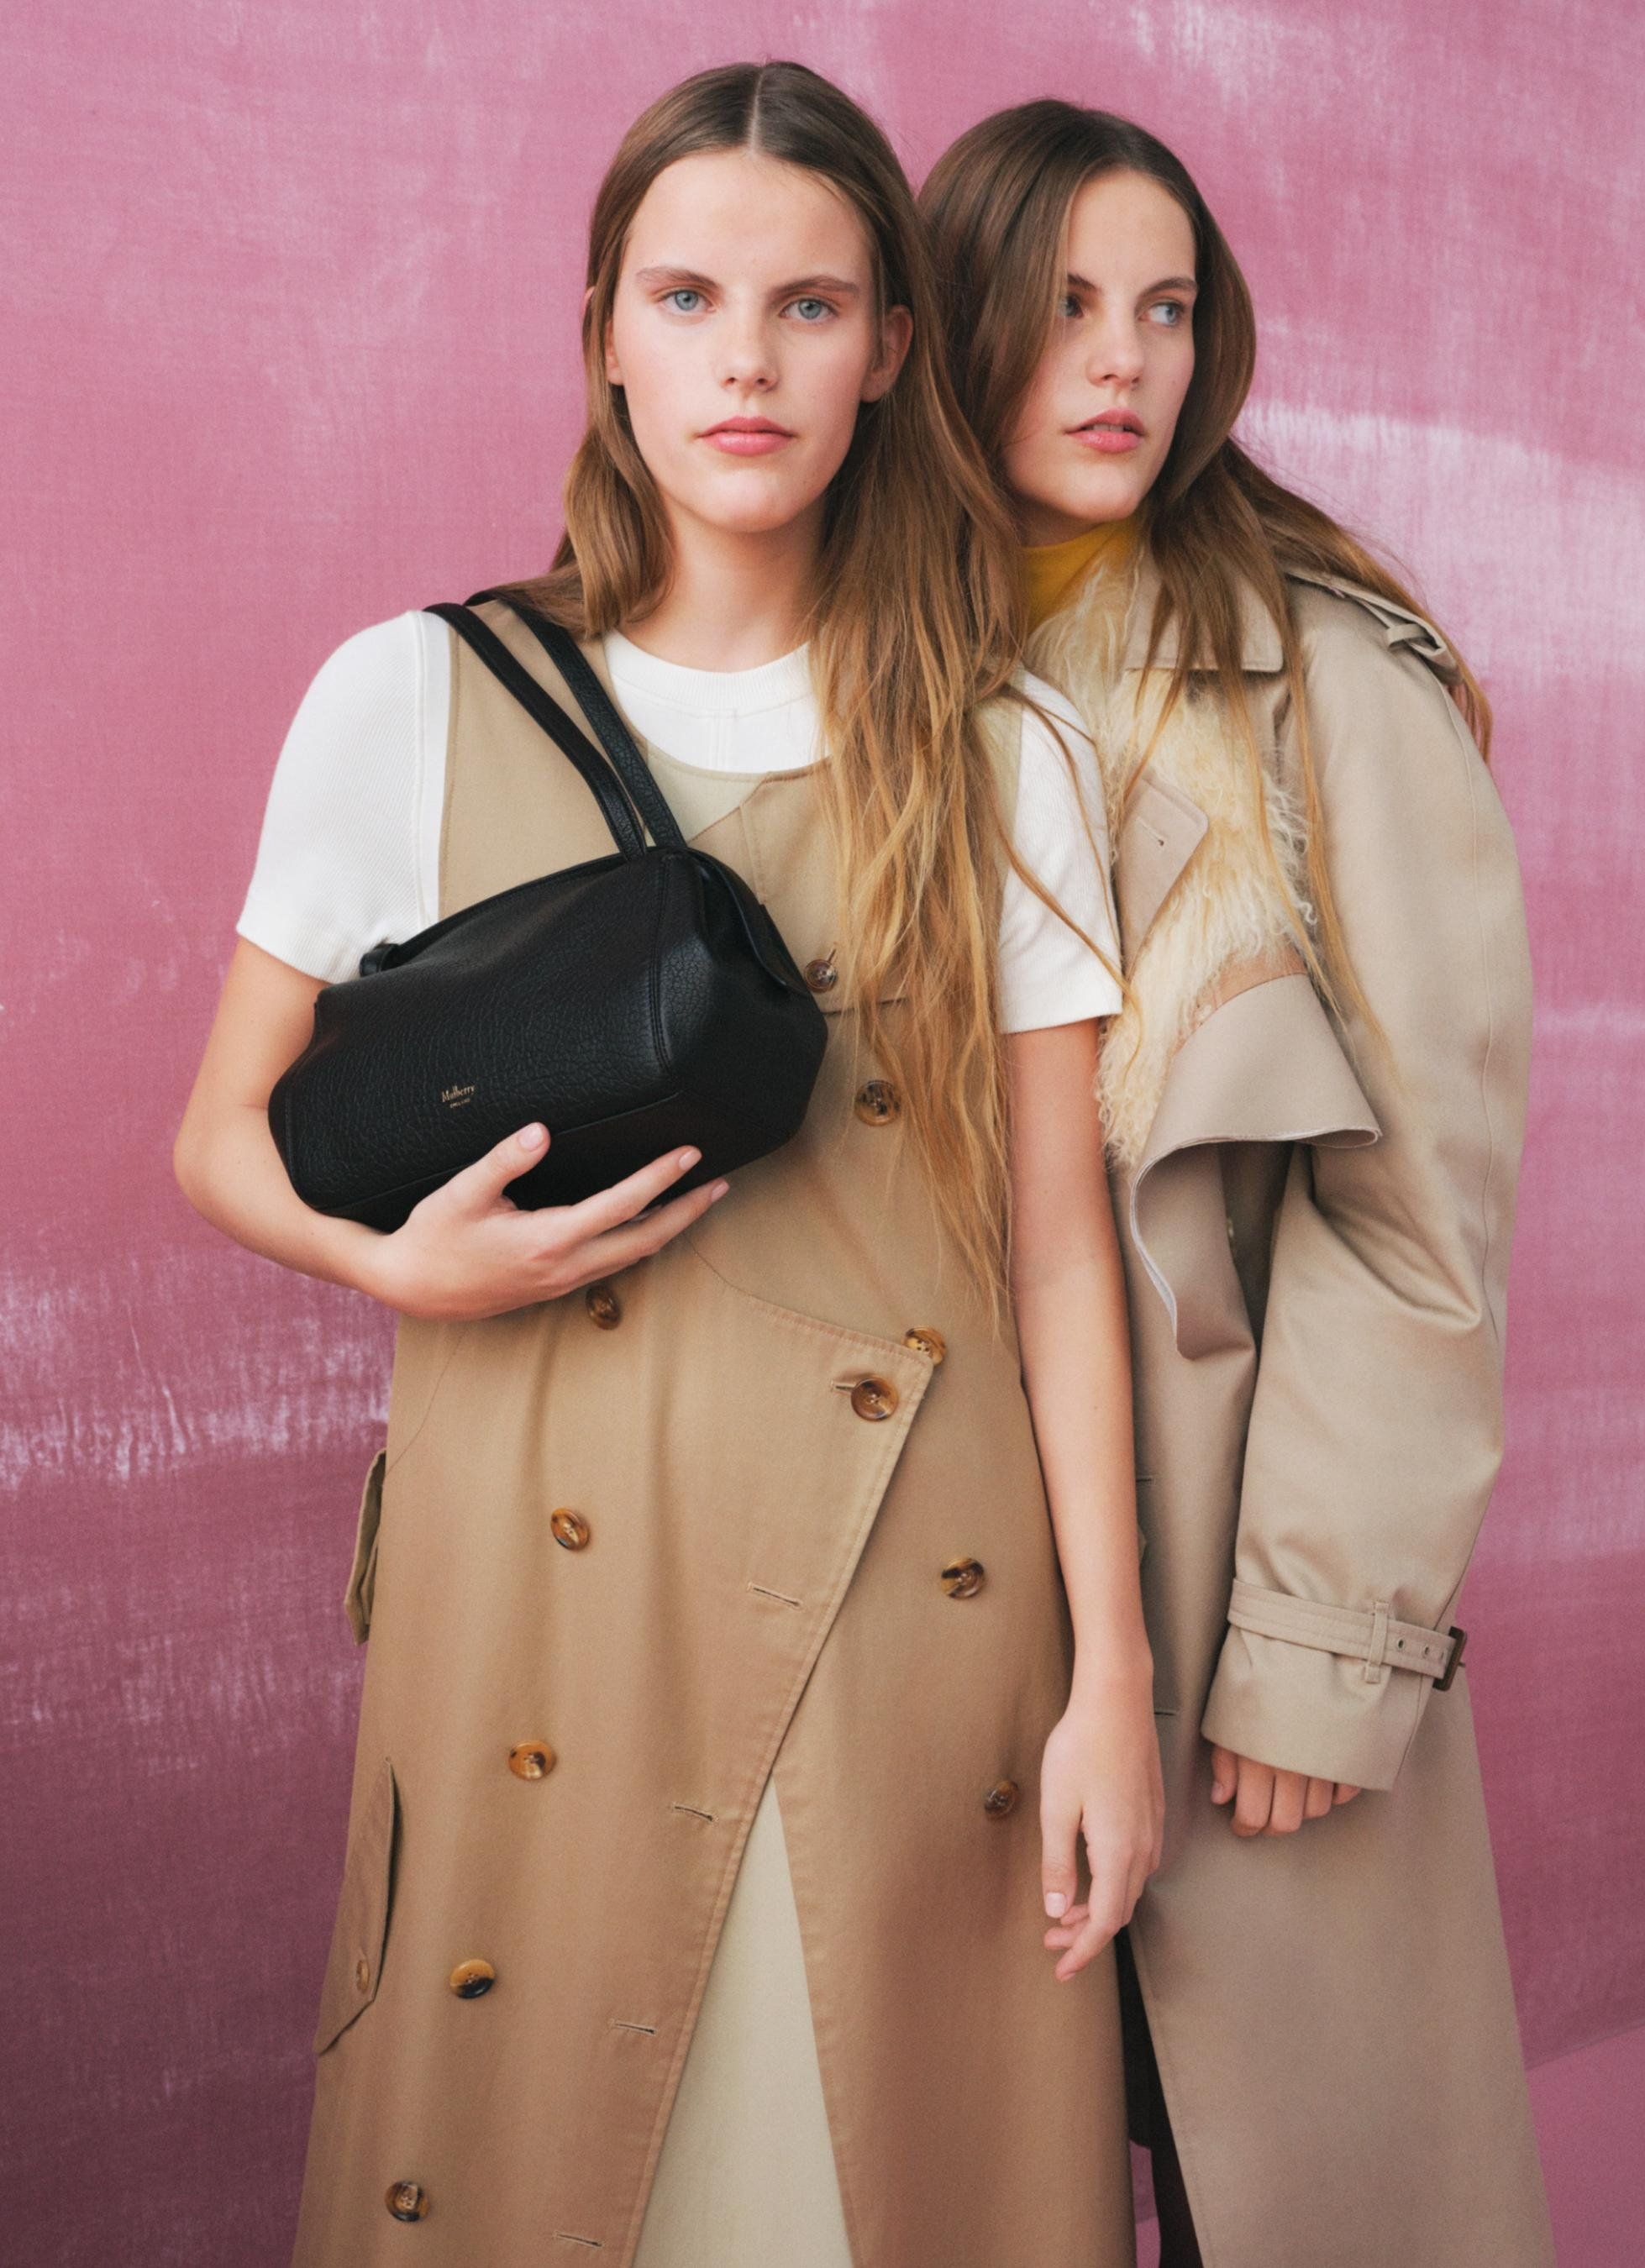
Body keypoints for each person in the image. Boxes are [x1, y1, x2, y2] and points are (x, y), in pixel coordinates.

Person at [174, 63, 1164, 2268]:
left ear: (892, 349)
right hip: (540, 1579)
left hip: (923, 1604)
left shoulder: (1003, 747)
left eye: (812, 306)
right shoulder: (412, 695)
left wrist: (1117, 1677)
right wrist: (403, 1277)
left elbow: (1061, 1255)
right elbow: (219, 1134)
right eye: (691, 293)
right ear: (603, 327)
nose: (748, 358)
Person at [922, 101, 1557, 2268]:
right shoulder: (861, 669)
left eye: (1169, 310)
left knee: (1266, 2169)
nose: (1126, 364)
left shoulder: (1334, 690)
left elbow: (1424, 1211)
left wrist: (1312, 1640)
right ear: (953, 327)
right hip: (924, 1558)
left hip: (1222, 1574)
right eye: (1069, 305)